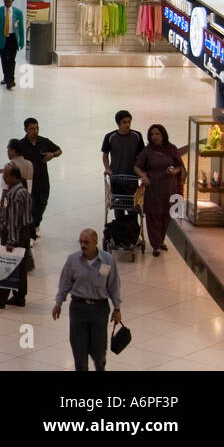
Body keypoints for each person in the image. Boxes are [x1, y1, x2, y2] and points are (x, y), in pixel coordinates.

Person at [53, 229, 122, 372]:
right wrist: (58, 303)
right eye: (81, 242)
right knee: (79, 353)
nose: (83, 245)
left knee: (98, 353)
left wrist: (117, 308)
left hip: (99, 309)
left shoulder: (107, 260)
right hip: (78, 309)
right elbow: (65, 283)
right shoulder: (72, 260)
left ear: (96, 242)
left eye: (86, 242)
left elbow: (113, 285)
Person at [0, 164, 33, 308]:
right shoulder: (24, 191)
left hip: (16, 235)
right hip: (24, 233)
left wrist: (11, 240)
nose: (4, 179)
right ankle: (19, 296)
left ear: (14, 177)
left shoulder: (15, 194)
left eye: (6, 176)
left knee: (6, 265)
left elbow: (15, 221)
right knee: (21, 267)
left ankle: (0, 297)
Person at [134, 123, 183, 256]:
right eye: (152, 134)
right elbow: (137, 167)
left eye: (157, 134)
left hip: (169, 188)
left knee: (166, 216)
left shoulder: (172, 149)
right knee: (153, 216)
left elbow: (180, 166)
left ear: (163, 135)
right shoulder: (148, 151)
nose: (154, 137)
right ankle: (155, 245)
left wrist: (175, 171)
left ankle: (161, 240)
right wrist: (144, 176)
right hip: (153, 188)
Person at [15, 117, 62, 238]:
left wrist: (52, 154)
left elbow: (59, 150)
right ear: (25, 129)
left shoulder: (44, 142)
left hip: (43, 181)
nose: (35, 131)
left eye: (37, 128)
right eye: (32, 129)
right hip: (28, 182)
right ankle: (31, 232)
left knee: (42, 205)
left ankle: (36, 224)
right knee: (31, 207)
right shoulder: (20, 145)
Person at [0, 0, 25, 89]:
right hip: (2, 38)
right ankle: (6, 77)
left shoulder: (18, 13)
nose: (7, 0)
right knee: (4, 59)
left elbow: (21, 28)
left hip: (13, 38)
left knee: (12, 60)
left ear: (13, 0)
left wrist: (22, 41)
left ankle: (11, 80)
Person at [101, 110, 144, 180]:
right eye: (124, 122)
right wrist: (107, 168)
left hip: (133, 176)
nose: (128, 125)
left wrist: (142, 171)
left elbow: (142, 155)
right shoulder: (109, 137)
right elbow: (105, 155)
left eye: (129, 122)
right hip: (115, 175)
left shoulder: (137, 135)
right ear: (118, 124)